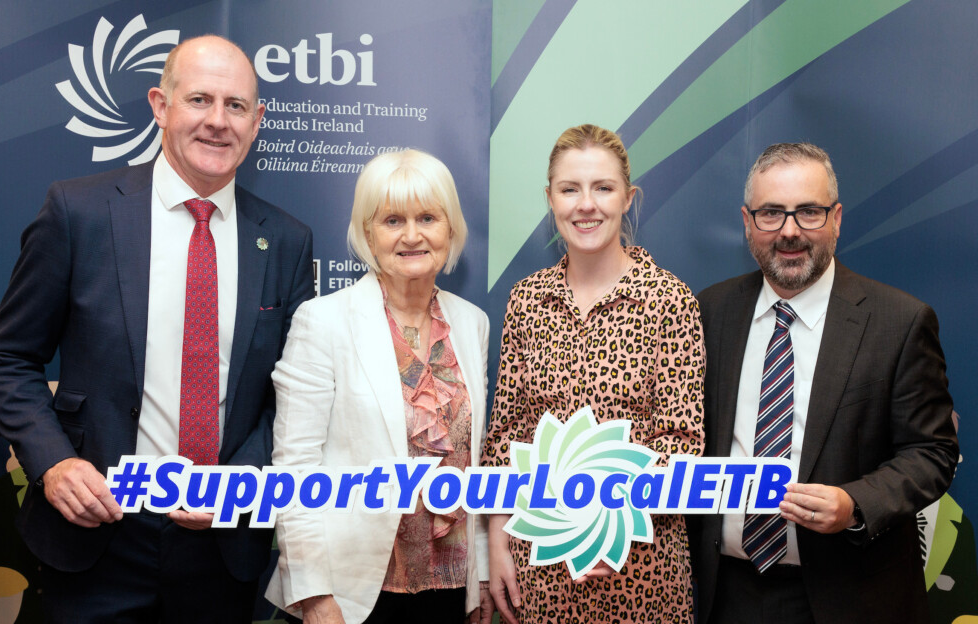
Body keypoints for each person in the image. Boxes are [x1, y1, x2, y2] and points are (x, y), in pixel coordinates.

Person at [0, 35, 314, 622]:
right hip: (94, 536)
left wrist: (243, 482)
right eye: (199, 100)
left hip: (223, 551)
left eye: (236, 106)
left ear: (258, 121)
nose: (217, 121)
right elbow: (8, 358)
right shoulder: (77, 212)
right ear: (160, 105)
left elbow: (289, 396)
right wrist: (53, 463)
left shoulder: (286, 239)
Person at [691, 142, 958, 623]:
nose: (789, 231)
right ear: (747, 222)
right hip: (724, 597)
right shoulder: (709, 312)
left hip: (848, 597)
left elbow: (932, 453)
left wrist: (856, 503)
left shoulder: (899, 321)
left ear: (836, 219)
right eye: (771, 213)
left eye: (808, 212)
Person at [483, 124, 706, 624]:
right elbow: (506, 436)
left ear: (628, 197)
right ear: (550, 198)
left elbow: (681, 444)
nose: (587, 204)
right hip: (539, 571)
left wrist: (612, 532)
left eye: (603, 187)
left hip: (642, 573)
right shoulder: (526, 301)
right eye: (570, 189)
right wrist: (498, 540)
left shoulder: (669, 301)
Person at [265, 149, 492, 624]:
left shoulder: (472, 323)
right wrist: (314, 596)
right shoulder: (322, 321)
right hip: (351, 597)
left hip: (450, 593)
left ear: (450, 229)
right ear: (368, 233)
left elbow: (478, 462)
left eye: (428, 217)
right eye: (392, 220)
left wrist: (480, 581)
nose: (412, 235)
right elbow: (295, 471)